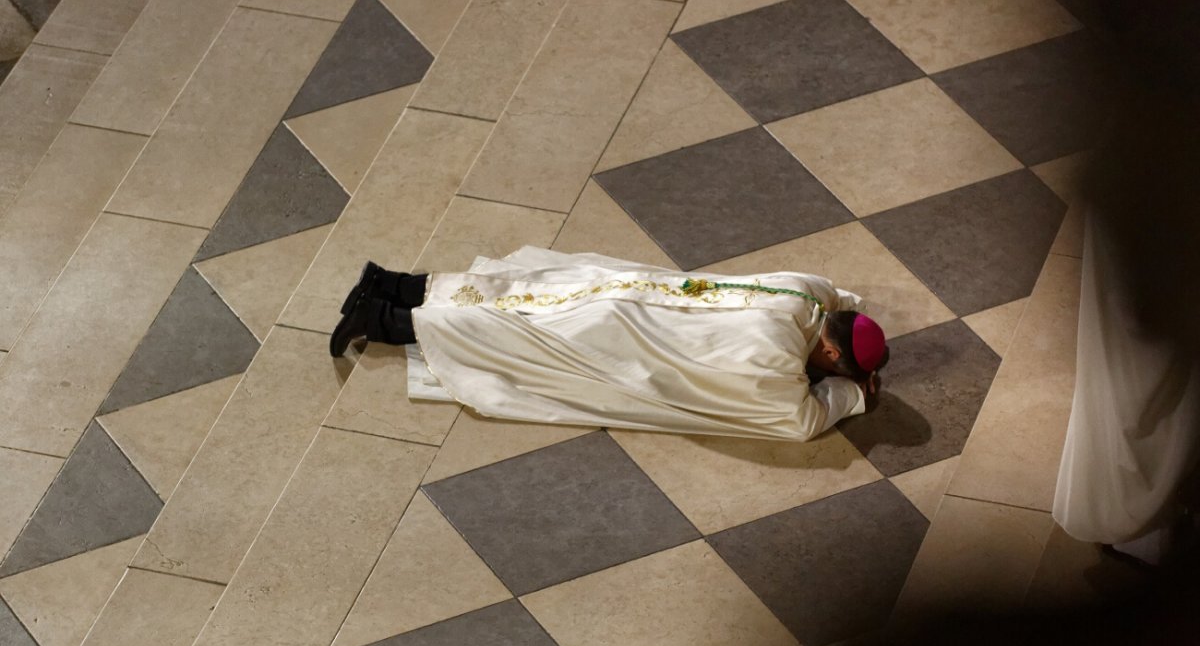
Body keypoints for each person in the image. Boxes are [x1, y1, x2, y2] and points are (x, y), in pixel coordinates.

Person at [329, 247, 888, 441]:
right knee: (510, 338)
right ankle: (377, 317)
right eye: (835, 369)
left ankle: (391, 283)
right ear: (831, 355)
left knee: (517, 292)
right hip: (615, 337)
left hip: (625, 292)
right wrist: (854, 396)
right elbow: (799, 422)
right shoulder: (781, 367)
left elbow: (839, 294)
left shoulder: (805, 293)